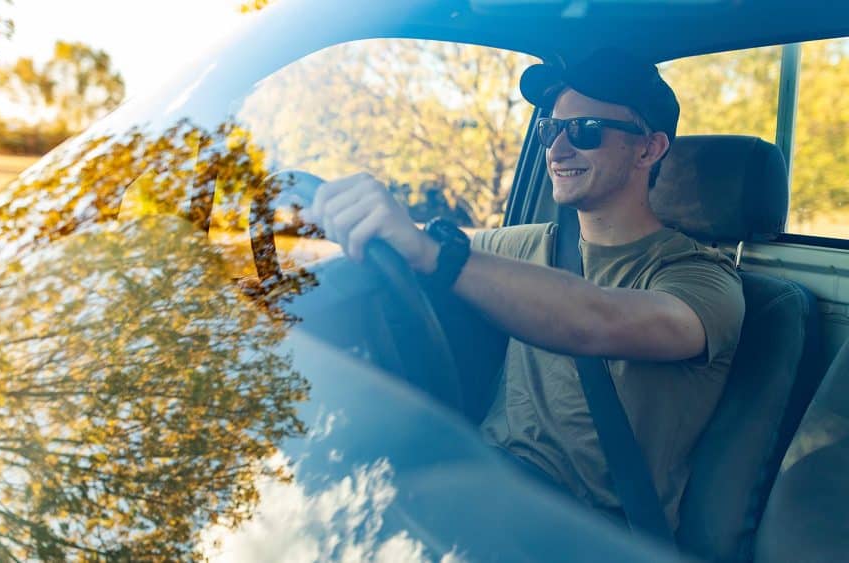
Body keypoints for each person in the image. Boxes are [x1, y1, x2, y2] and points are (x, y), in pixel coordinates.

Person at [307, 49, 745, 530]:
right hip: (479, 485)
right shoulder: (521, 247)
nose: (557, 151)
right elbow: (424, 255)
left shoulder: (703, 278)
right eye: (549, 130)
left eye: (585, 132)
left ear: (649, 149)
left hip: (586, 533)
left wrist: (436, 253)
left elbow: (597, 320)